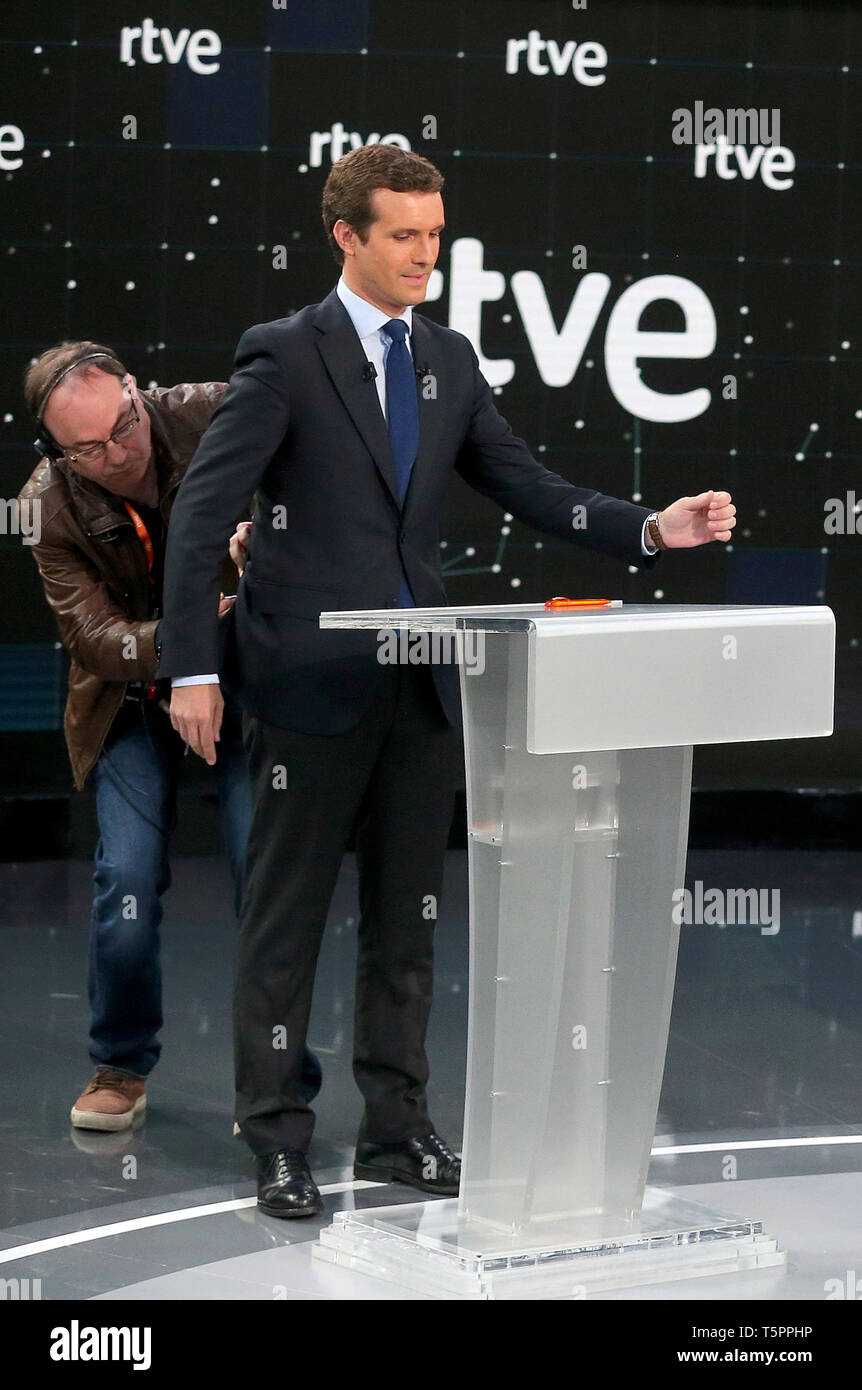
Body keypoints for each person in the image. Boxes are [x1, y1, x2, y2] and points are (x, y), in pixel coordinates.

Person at [158, 145, 736, 1218]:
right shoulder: (284, 356)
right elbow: (202, 516)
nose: (426, 253)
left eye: (435, 234)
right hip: (305, 682)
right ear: (347, 236)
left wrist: (648, 528)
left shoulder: (449, 358)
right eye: (404, 235)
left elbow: (527, 486)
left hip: (421, 687)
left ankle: (396, 1126)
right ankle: (276, 1136)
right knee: (282, 924)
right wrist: (192, 664)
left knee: (408, 922)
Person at [18, 343, 321, 1132]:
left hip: (250, 684)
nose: (118, 454)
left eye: (123, 426)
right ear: (58, 450)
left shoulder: (217, 411)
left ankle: (275, 1077)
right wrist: (188, 643)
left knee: (265, 879)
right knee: (125, 883)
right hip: (131, 700)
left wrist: (270, 539)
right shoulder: (47, 504)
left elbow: (322, 488)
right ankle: (120, 1066)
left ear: (132, 389)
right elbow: (92, 638)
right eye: (90, 449)